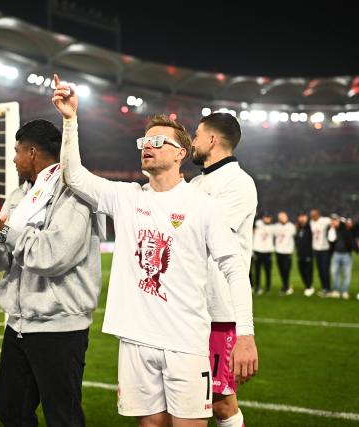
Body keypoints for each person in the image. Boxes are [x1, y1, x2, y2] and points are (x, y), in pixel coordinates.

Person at [52, 74, 257, 427]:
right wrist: (70, 120)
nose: (148, 145)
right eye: (144, 141)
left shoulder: (202, 203)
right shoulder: (128, 198)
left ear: (181, 153)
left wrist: (246, 334)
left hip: (186, 341)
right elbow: (75, 175)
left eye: (159, 140)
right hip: (135, 340)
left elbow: (234, 269)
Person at [0, 118, 102, 427]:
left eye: (17, 151)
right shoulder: (18, 196)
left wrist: (4, 232)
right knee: (12, 414)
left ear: (33, 152)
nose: (13, 159)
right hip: (20, 325)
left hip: (60, 327)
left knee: (62, 418)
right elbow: (0, 262)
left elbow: (53, 256)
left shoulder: (75, 194)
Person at [190, 112, 257, 427]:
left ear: (212, 140)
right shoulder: (194, 182)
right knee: (186, 399)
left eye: (197, 135)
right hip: (190, 309)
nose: (193, 141)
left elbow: (202, 235)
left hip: (219, 311)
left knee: (221, 403)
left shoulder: (238, 183)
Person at [327, 215, 357, 299]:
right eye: (332, 220)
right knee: (334, 273)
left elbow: (352, 240)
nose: (334, 222)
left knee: (346, 274)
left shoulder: (346, 229)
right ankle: (336, 290)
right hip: (336, 254)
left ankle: (344, 291)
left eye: (335, 220)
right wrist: (332, 228)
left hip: (346, 255)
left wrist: (357, 250)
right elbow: (331, 239)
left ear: (339, 221)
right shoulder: (331, 230)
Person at [309, 209, 331, 296]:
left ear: (318, 214)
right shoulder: (311, 222)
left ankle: (327, 288)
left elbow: (334, 221)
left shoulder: (325, 220)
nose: (312, 216)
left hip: (324, 248)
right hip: (316, 249)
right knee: (320, 270)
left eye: (314, 215)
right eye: (311, 215)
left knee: (325, 270)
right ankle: (323, 287)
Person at [274, 212, 296, 296]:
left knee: (286, 270)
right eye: (280, 217)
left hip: (287, 252)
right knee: (281, 271)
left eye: (283, 217)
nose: (282, 218)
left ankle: (286, 287)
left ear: (287, 217)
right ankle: (285, 285)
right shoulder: (276, 226)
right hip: (278, 252)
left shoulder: (291, 226)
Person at [252, 213, 274, 295]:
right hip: (258, 251)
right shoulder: (258, 224)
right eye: (265, 217)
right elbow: (252, 222)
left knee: (268, 271)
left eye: (268, 217)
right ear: (263, 218)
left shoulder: (272, 227)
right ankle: (257, 287)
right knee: (257, 271)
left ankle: (268, 288)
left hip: (268, 252)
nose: (267, 219)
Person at [294, 213, 314, 296]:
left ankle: (309, 287)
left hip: (308, 254)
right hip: (299, 254)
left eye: (303, 217)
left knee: (308, 272)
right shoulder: (298, 228)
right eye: (300, 217)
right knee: (301, 271)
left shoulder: (309, 227)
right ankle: (307, 286)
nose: (302, 219)